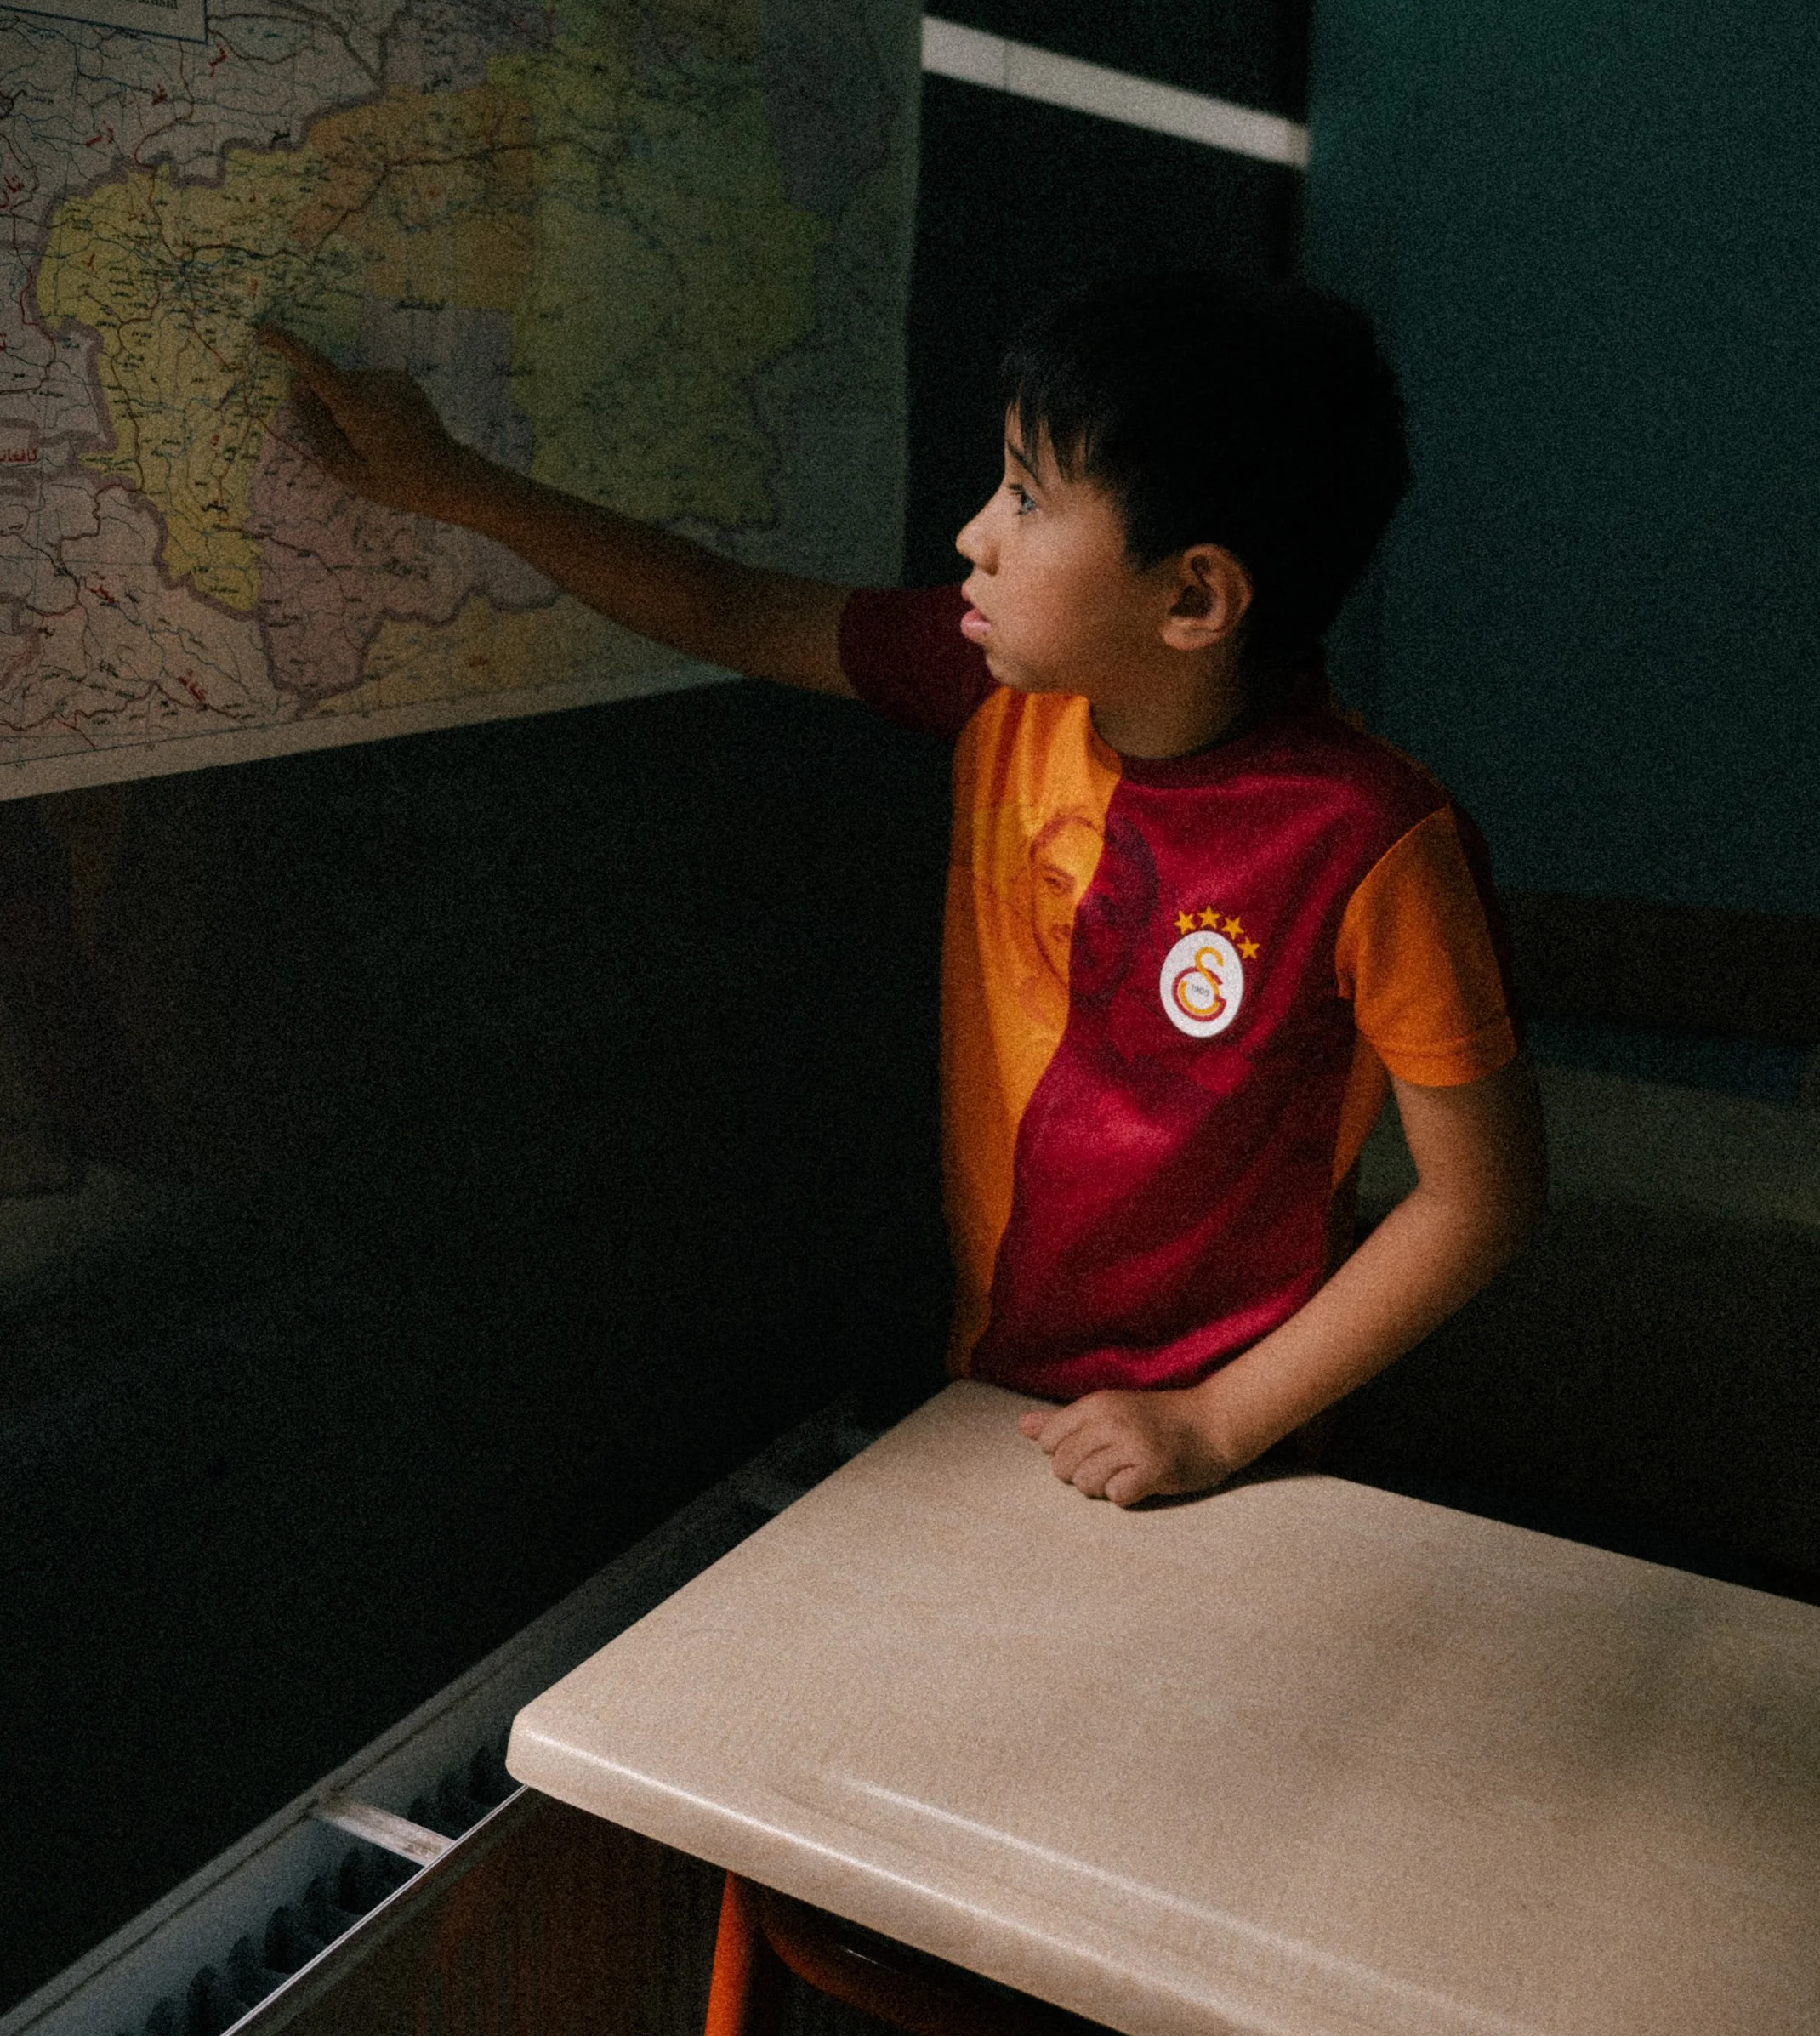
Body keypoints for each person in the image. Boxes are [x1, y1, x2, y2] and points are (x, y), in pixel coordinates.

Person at [258, 270, 1544, 1510]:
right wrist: (452, 485)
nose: (973, 534)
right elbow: (725, 603)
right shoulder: (994, 689)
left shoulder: (1374, 839)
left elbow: (1482, 1198)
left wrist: (1216, 1421)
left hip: (1243, 1460)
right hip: (994, 1405)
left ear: (1194, 594)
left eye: (1030, 500)